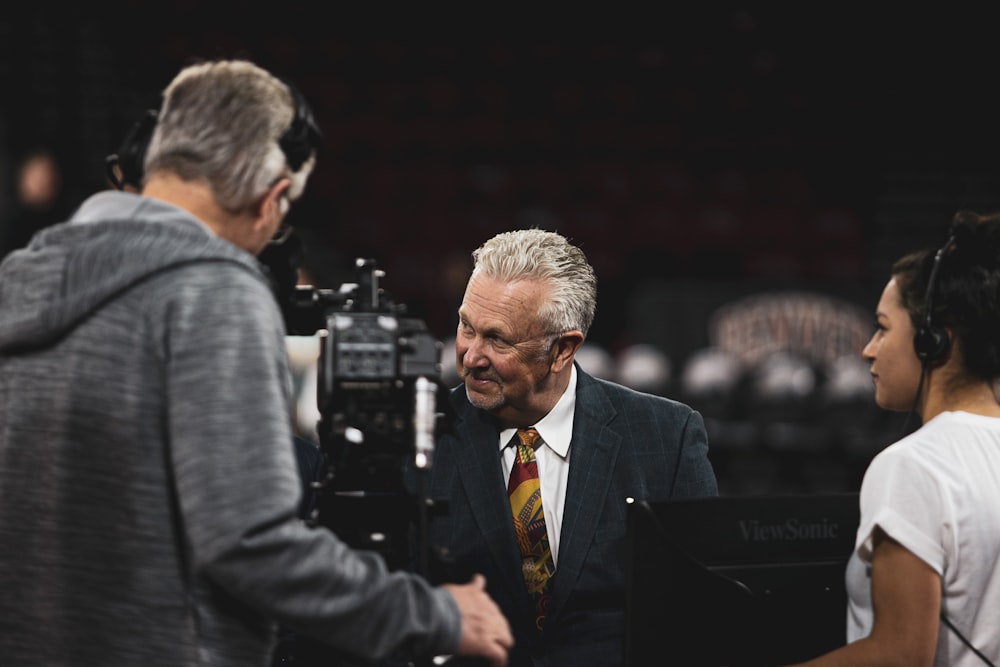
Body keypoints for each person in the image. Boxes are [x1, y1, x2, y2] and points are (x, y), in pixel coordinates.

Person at [0, 59, 512, 667]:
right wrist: (436, 615)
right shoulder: (212, 291)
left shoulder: (21, 274)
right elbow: (249, 546)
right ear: (272, 200)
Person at [426, 228, 719, 666]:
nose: (470, 356)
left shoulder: (666, 436)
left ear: (563, 349)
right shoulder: (422, 436)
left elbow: (701, 612)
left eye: (498, 339)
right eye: (466, 326)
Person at [789, 210, 1000, 666]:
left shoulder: (912, 465)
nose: (868, 348)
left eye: (883, 328)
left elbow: (900, 655)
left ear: (933, 342)